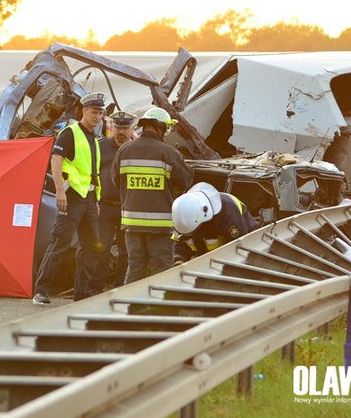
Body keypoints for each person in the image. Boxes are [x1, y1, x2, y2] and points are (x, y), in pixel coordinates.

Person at [33, 92, 106, 305]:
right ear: (84, 111)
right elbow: (56, 160)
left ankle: (82, 293)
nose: (98, 116)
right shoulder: (70, 133)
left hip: (89, 198)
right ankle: (41, 291)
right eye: (94, 112)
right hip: (72, 196)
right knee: (60, 242)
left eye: (101, 113)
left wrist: (96, 200)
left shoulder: (94, 138)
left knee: (91, 245)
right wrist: (60, 191)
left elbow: (93, 172)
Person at [112, 106, 193, 283]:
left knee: (135, 267)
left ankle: (128, 307)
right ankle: (156, 308)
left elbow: (116, 182)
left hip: (131, 224)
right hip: (160, 225)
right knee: (161, 270)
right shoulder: (170, 153)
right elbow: (185, 181)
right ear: (161, 127)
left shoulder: (124, 151)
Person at [171, 182, 258, 264]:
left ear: (201, 222)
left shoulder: (227, 212)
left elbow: (237, 249)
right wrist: (179, 261)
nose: (188, 235)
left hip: (246, 244)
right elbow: (180, 243)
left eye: (190, 232)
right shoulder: (183, 216)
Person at [97, 111, 136, 288]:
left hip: (127, 207)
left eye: (125, 128)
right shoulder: (101, 146)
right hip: (104, 207)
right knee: (101, 248)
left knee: (126, 250)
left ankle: (121, 286)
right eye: (118, 127)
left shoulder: (137, 149)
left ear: (132, 128)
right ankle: (98, 286)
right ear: (112, 127)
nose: (121, 132)